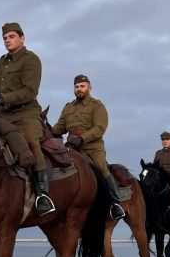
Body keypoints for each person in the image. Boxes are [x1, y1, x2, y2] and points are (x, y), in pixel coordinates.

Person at [0, 23, 53, 215]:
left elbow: (30, 91)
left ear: (22, 38)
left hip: (26, 113)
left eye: (11, 37)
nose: (7, 40)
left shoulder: (31, 60)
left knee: (31, 144)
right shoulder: (2, 62)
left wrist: (4, 98)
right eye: (5, 38)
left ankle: (43, 195)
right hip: (3, 114)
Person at [49, 74, 126, 220]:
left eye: (82, 86)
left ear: (89, 88)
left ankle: (115, 203)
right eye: (76, 87)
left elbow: (99, 128)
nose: (79, 89)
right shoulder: (68, 107)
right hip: (71, 146)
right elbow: (60, 127)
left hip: (93, 147)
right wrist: (46, 130)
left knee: (101, 169)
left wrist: (82, 139)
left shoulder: (97, 106)